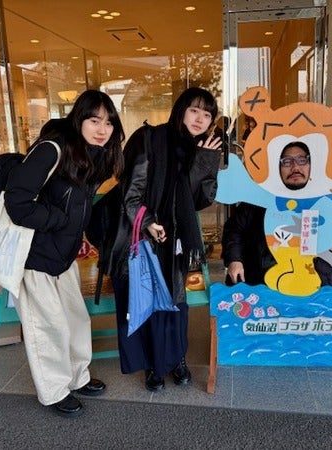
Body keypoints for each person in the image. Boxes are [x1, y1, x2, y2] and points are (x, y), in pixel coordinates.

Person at [4, 90, 125, 417]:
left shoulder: (92, 156)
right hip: (36, 258)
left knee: (75, 320)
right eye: (94, 120)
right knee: (48, 327)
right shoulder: (51, 150)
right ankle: (54, 390)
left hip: (64, 256)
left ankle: (77, 376)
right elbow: (17, 203)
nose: (102, 129)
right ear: (78, 119)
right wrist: (59, 221)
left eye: (109, 123)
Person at [107, 87, 222, 392]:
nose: (200, 119)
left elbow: (199, 200)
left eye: (207, 114)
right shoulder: (150, 139)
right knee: (147, 301)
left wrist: (205, 161)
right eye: (194, 110)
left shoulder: (199, 148)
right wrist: (148, 222)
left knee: (174, 302)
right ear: (180, 110)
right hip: (145, 238)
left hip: (176, 241)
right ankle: (153, 366)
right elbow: (130, 191)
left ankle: (176, 358)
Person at [222, 141, 332, 288]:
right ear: (277, 167)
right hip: (263, 285)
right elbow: (234, 230)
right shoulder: (258, 200)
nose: (295, 167)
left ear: (311, 165)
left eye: (302, 160)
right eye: (287, 162)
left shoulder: (326, 203)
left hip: (316, 288)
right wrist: (235, 260)